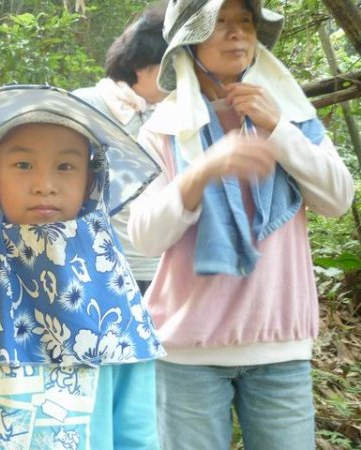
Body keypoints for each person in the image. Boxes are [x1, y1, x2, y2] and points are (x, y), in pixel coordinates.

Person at [128, 0, 355, 449]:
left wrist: (278, 128)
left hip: (279, 343)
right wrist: (202, 170)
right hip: (187, 350)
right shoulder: (163, 129)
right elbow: (146, 237)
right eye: (219, 23)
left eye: (246, 21)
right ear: (189, 44)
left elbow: (337, 199)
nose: (238, 33)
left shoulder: (292, 114)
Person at [0, 85, 165, 449]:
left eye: (66, 166)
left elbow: (136, 433)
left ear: (91, 178)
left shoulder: (114, 290)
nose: (44, 186)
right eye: (23, 165)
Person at [73, 4, 167, 294]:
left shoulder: (172, 115)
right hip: (101, 266)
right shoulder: (85, 106)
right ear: (140, 65)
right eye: (170, 65)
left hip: (163, 268)